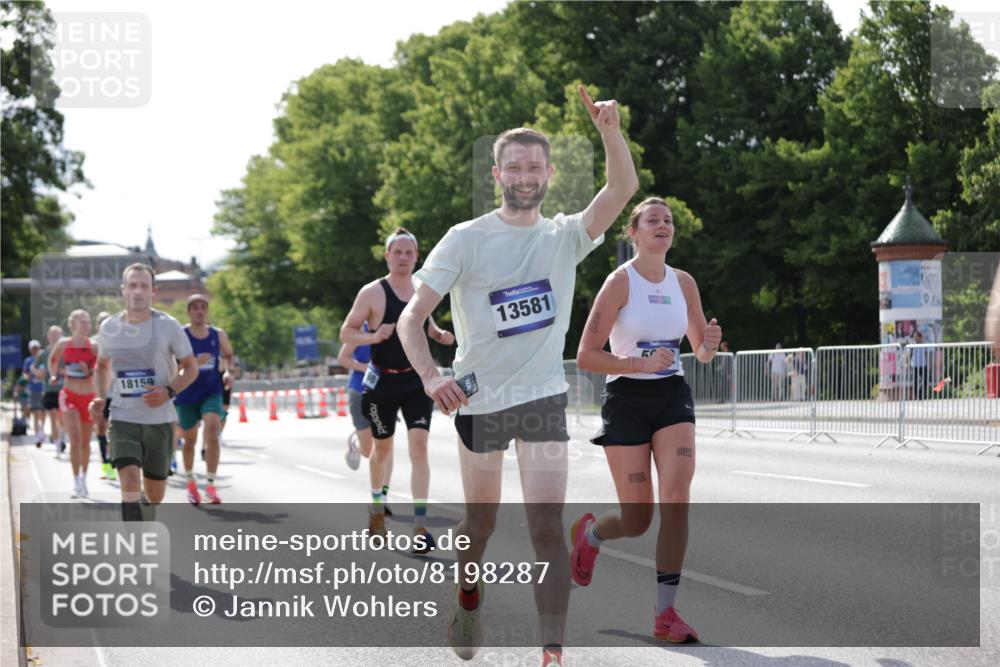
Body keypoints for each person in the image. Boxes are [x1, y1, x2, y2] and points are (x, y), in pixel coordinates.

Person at [398, 86, 639, 666]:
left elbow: (622, 190)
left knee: (546, 531)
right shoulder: (467, 238)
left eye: (535, 166)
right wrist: (432, 378)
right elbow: (411, 318)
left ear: (549, 173)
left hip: (542, 400)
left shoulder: (564, 237)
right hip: (480, 403)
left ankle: (551, 653)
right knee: (479, 526)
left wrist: (611, 131)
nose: (525, 175)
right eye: (515, 166)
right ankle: (468, 593)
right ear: (497, 172)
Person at [572, 196, 720, 644]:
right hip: (627, 400)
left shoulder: (684, 283)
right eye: (652, 220)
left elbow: (701, 351)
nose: (663, 225)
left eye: (668, 220)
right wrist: (637, 365)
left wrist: (710, 342)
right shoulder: (620, 282)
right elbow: (585, 357)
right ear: (633, 232)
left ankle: (666, 614)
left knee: (677, 496)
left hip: (672, 396)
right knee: (638, 519)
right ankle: (593, 535)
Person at [340, 228, 454, 552]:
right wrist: (373, 336)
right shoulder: (372, 293)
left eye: (409, 253)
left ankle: (420, 528)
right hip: (382, 382)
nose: (403, 258)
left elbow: (425, 323)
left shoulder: (423, 288)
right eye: (397, 252)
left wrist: (438, 334)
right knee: (382, 451)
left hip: (416, 380)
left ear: (416, 257)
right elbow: (346, 333)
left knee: (420, 448)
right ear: (387, 255)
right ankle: (377, 508)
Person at [89, 263, 198, 521]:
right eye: (132, 285)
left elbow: (191, 368)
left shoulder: (168, 326)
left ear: (153, 291)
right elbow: (102, 366)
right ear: (123, 290)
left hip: (158, 420)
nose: (138, 291)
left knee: (154, 496)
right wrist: (99, 397)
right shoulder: (109, 328)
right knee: (128, 482)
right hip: (123, 418)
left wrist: (169, 391)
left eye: (144, 286)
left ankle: (144, 519)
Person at [174, 294, 235, 505]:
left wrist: (228, 372)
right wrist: (191, 364)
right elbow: (171, 366)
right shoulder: (180, 335)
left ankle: (211, 485)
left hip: (212, 390)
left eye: (203, 308)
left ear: (207, 311)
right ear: (189, 312)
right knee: (189, 441)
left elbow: (229, 355)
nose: (200, 311)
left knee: (212, 429)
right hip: (187, 392)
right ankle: (191, 484)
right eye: (195, 308)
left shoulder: (218, 335)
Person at [338, 335, 396, 515]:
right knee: (368, 450)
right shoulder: (360, 329)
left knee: (386, 447)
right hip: (359, 391)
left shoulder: (391, 324)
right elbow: (343, 358)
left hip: (387, 391)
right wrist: (367, 367)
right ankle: (356, 445)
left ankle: (382, 498)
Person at [48, 310, 100, 498]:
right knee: (75, 439)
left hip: (88, 397)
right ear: (73, 324)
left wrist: (89, 371)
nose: (87, 324)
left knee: (85, 442)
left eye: (88, 321)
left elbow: (100, 370)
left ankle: (84, 479)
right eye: (83, 321)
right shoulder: (64, 344)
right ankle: (76, 480)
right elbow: (52, 359)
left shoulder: (94, 346)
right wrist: (54, 375)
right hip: (69, 396)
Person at [33, 325, 65, 456]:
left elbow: (71, 369)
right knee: (52, 415)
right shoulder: (43, 353)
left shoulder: (65, 351)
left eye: (57, 334)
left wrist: (58, 370)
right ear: (47, 337)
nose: (54, 337)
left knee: (62, 419)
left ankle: (61, 439)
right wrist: (41, 372)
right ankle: (57, 445)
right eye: (52, 334)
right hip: (49, 389)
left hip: (64, 388)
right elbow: (34, 369)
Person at [93, 312, 116, 480]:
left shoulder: (119, 341)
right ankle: (106, 465)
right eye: (101, 322)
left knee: (113, 429)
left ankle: (113, 463)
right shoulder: (92, 344)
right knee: (101, 427)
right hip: (99, 393)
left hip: (116, 392)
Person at [909, 330, 928, 400]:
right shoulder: (912, 345)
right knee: (915, 381)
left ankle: (920, 393)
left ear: (920, 337)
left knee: (925, 381)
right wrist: (907, 364)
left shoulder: (924, 345)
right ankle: (917, 396)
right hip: (915, 365)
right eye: (914, 337)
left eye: (916, 337)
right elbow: (908, 355)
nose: (915, 338)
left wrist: (929, 364)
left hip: (923, 365)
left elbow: (926, 354)